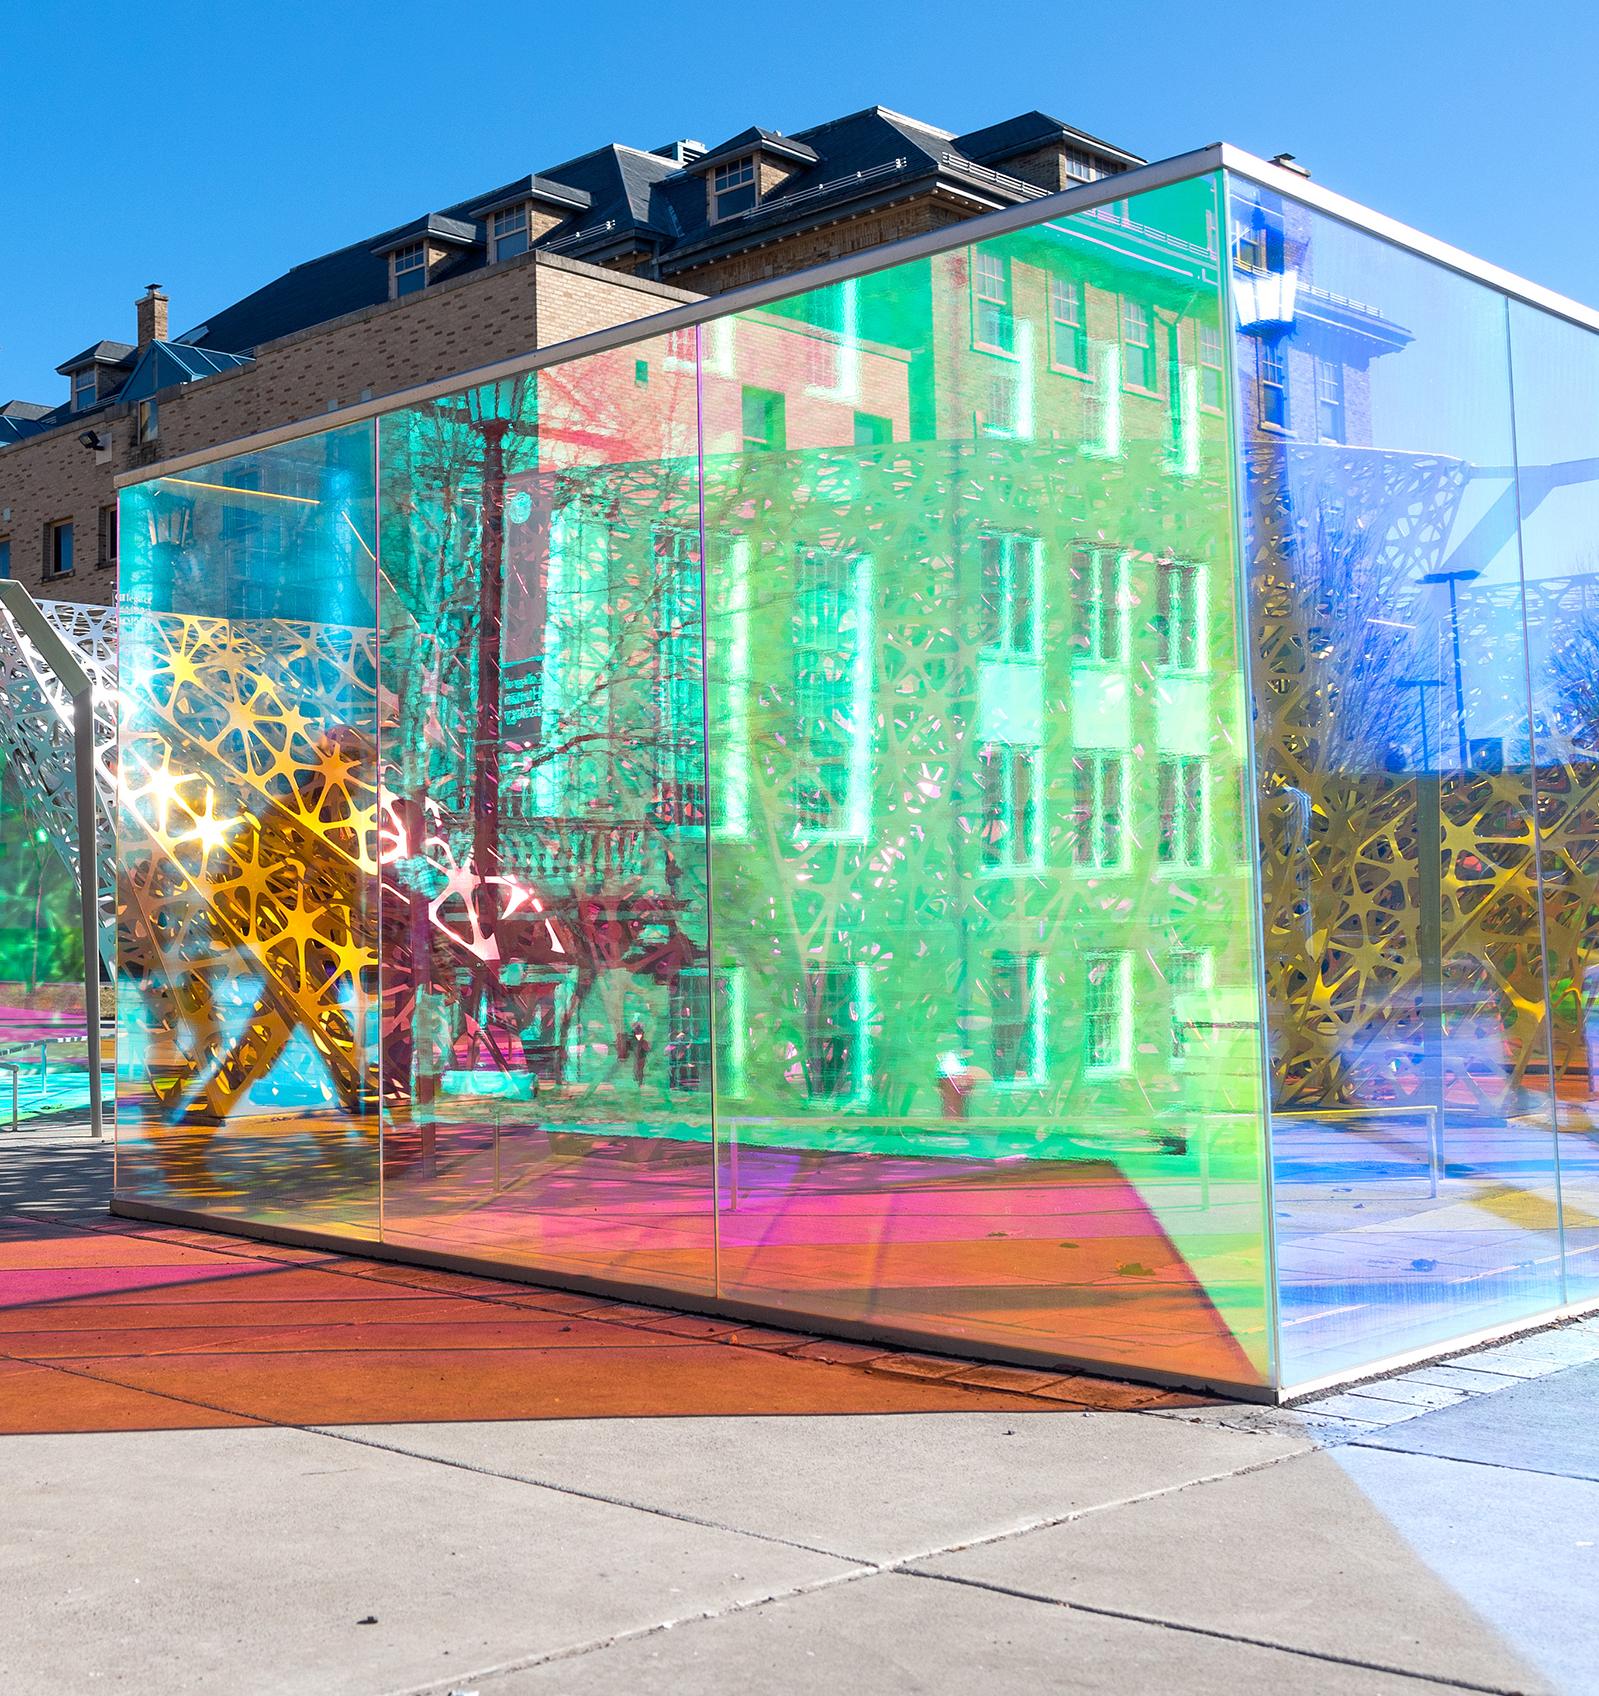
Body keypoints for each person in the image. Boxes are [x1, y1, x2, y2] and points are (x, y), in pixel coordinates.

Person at [629, 1019, 650, 1087]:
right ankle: (638, 1079)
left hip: (641, 1055)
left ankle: (639, 1080)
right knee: (638, 1067)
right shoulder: (636, 1039)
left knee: (639, 1067)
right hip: (640, 1054)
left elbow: (646, 1048)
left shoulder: (641, 1040)